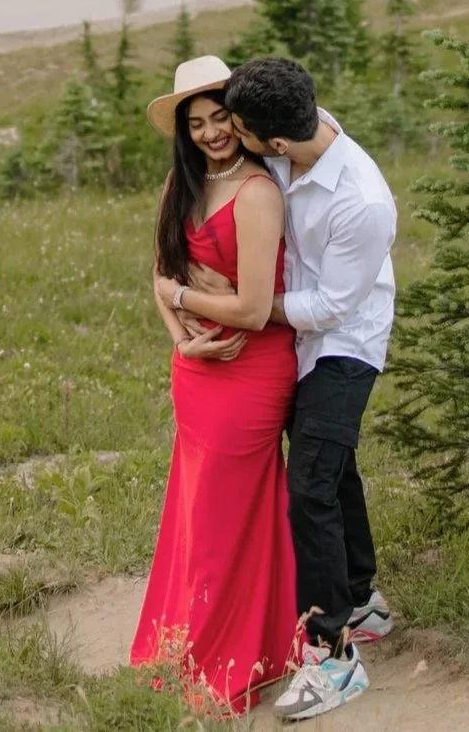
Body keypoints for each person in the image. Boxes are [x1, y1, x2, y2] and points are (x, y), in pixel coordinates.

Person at [179, 55, 397, 721]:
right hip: (290, 340)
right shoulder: (285, 139)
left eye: (237, 128)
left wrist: (244, 303)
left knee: (308, 486)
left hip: (342, 346)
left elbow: (331, 305)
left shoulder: (361, 200)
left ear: (273, 140)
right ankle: (361, 599)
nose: (229, 136)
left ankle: (333, 656)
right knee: (332, 467)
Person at [132, 55, 300, 715]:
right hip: (197, 368)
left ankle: (232, 650)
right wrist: (183, 334)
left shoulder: (257, 193)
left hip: (250, 370)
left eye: (220, 116)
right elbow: (158, 276)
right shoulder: (182, 182)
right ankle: (191, 636)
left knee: (227, 515)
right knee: (196, 509)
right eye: (196, 123)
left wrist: (188, 299)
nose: (210, 133)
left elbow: (254, 310)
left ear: (240, 116)